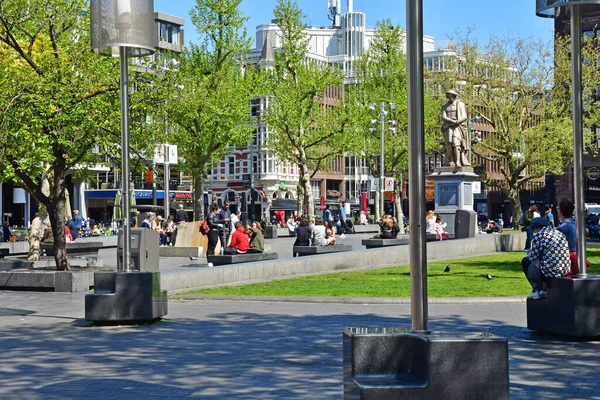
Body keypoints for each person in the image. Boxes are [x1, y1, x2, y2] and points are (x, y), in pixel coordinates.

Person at [522, 217, 570, 299]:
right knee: (546, 260)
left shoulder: (539, 235)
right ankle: (544, 289)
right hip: (565, 267)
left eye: (533, 229)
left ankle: (536, 290)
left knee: (526, 262)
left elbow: (532, 256)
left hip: (551, 269)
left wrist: (529, 252)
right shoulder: (558, 233)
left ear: (535, 227)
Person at [441, 89, 470, 167]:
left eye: (452, 97)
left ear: (454, 97)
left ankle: (458, 161)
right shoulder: (444, 106)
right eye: (449, 97)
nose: (450, 98)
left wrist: (456, 122)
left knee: (456, 143)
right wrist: (451, 121)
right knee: (449, 144)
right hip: (448, 127)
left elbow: (464, 116)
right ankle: (451, 160)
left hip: (457, 126)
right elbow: (443, 117)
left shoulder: (460, 104)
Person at [556, 199, 580, 275]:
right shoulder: (576, 225)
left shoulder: (562, 227)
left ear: (560, 211)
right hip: (578, 257)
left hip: (567, 258)